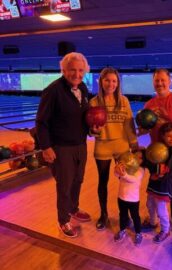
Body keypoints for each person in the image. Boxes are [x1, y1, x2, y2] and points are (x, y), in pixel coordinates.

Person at [36, 52, 91, 238]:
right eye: (72, 70)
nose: (77, 74)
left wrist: (94, 128)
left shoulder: (83, 88)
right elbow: (41, 122)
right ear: (64, 70)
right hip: (61, 147)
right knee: (65, 185)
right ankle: (63, 220)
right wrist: (46, 147)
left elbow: (84, 116)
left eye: (80, 70)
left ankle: (73, 209)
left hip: (80, 145)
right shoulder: (53, 90)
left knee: (78, 180)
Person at [139, 68, 172, 235]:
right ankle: (154, 218)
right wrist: (136, 131)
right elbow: (144, 129)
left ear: (170, 81)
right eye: (157, 80)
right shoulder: (149, 104)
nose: (160, 83)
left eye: (163, 80)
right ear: (153, 82)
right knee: (156, 183)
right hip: (156, 152)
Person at [89, 67, 139, 230]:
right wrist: (93, 131)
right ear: (101, 82)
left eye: (114, 81)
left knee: (128, 179)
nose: (111, 84)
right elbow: (91, 128)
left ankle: (126, 215)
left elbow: (129, 123)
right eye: (107, 80)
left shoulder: (123, 101)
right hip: (102, 146)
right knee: (102, 182)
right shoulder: (94, 102)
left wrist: (134, 143)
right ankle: (103, 214)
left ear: (118, 83)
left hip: (122, 146)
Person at [141, 122, 172, 243]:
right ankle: (152, 222)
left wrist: (161, 172)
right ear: (163, 136)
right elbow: (150, 162)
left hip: (165, 185)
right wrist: (143, 154)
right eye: (169, 136)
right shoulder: (158, 148)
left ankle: (165, 230)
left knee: (161, 208)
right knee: (150, 204)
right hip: (154, 183)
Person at [113, 157, 144, 246]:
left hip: (133, 200)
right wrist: (117, 169)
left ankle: (138, 233)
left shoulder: (141, 170)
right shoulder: (127, 166)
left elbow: (133, 179)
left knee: (135, 217)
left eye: (140, 157)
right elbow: (116, 175)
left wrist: (123, 174)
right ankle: (122, 230)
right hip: (121, 197)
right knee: (122, 215)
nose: (137, 159)